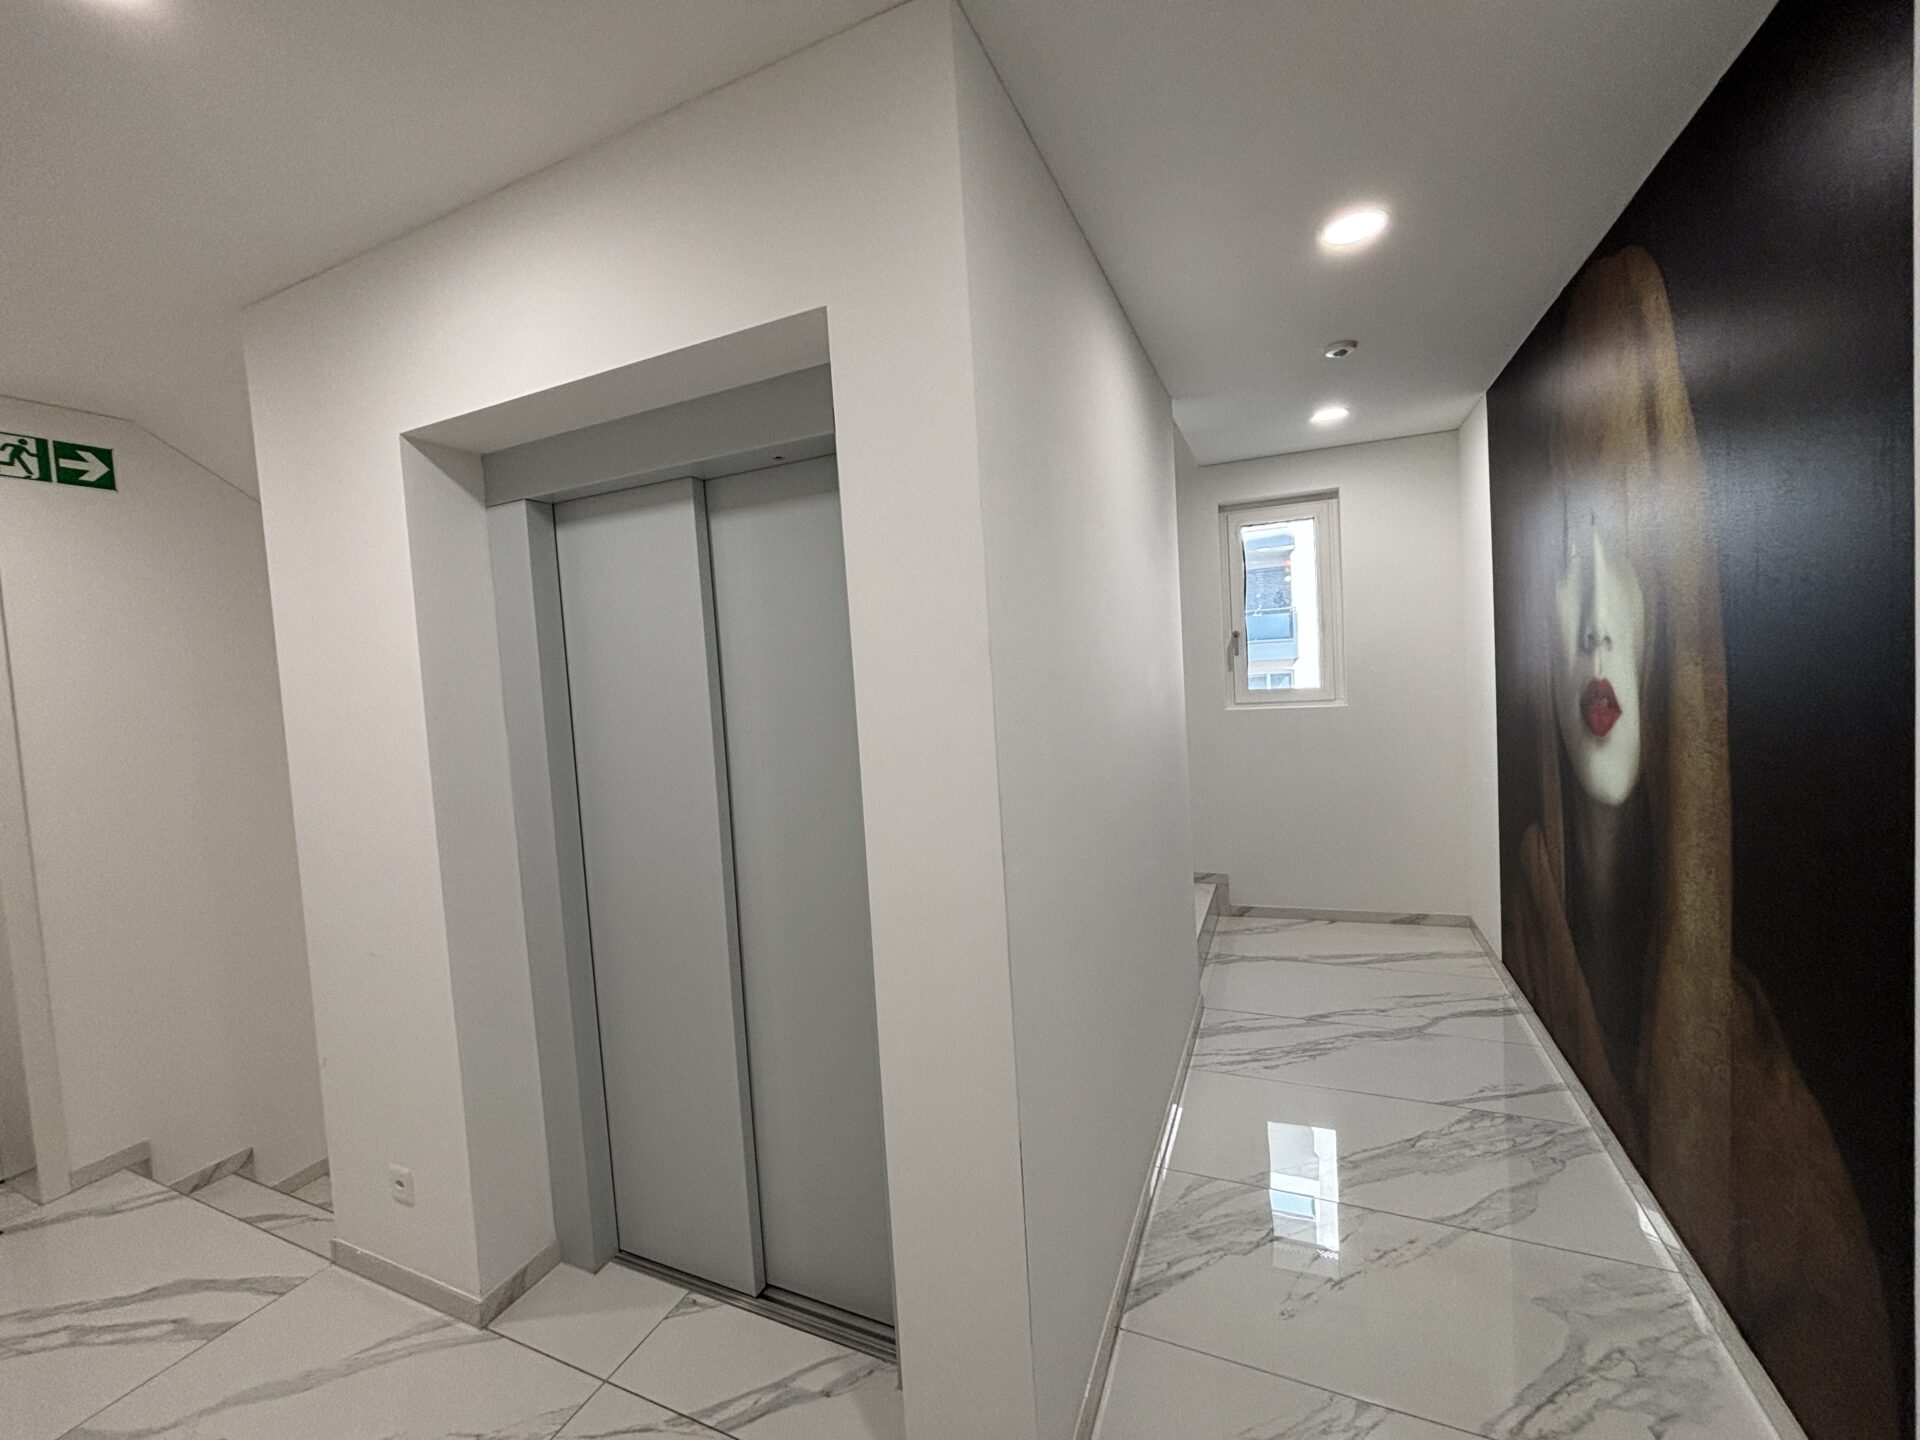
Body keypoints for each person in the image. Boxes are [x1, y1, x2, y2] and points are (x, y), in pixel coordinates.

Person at [1503, 245, 1895, 1439]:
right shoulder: (1523, 927)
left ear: (1678, 601)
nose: (1594, 623)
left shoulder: (1768, 1122)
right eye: (1565, 560)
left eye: (1626, 558)